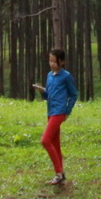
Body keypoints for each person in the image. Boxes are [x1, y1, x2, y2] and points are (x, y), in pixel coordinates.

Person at [30, 47, 77, 186]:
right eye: (50, 61)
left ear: (62, 62)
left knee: (45, 140)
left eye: (54, 61)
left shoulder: (66, 76)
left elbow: (73, 94)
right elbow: (48, 96)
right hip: (50, 112)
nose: (52, 64)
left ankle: (58, 173)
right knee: (55, 143)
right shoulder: (49, 76)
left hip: (59, 112)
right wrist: (42, 91)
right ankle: (60, 173)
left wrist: (67, 112)